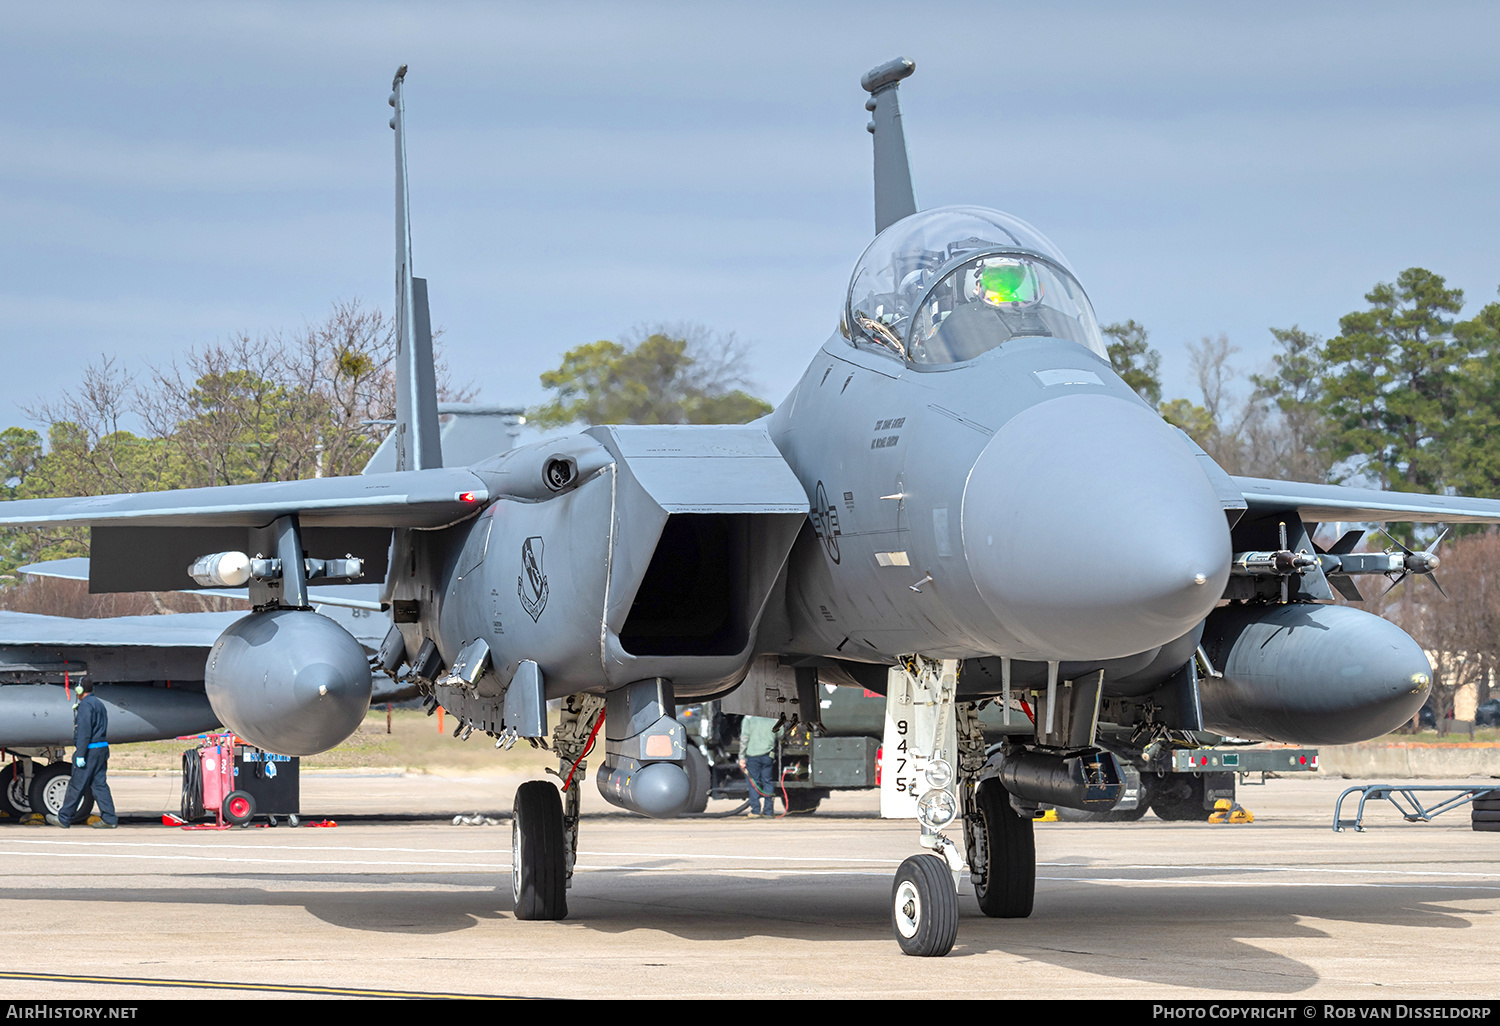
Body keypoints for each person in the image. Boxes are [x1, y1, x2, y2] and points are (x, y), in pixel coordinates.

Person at [45, 680, 118, 829]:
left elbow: (84, 732)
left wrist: (80, 753)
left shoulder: (85, 706)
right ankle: (110, 818)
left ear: (79, 690)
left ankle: (64, 818)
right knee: (99, 784)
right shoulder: (99, 704)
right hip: (101, 748)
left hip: (90, 750)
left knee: (76, 785)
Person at [737, 715, 779, 818]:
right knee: (767, 782)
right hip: (768, 756)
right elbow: (781, 734)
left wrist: (741, 757)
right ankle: (768, 812)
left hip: (753, 756)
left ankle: (755, 811)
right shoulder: (774, 718)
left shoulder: (748, 718)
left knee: (753, 783)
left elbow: (744, 738)